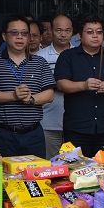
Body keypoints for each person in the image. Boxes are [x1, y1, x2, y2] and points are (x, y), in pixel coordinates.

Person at [0, 15, 56, 158]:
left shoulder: (39, 62)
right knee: (2, 177)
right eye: (14, 33)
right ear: (4, 36)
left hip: (33, 134)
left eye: (24, 33)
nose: (20, 37)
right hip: (1, 134)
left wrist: (31, 99)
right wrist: (13, 96)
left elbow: (49, 94)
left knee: (35, 177)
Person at [55, 15, 104, 157]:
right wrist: (83, 85)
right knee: (77, 170)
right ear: (79, 35)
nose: (95, 36)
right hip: (77, 127)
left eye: (99, 32)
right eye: (90, 32)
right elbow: (61, 84)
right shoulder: (68, 56)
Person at [36, 14, 74, 158]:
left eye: (67, 30)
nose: (63, 34)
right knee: (50, 165)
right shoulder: (40, 57)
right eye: (59, 30)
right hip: (48, 121)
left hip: (76, 123)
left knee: (74, 166)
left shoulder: (80, 55)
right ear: (51, 30)